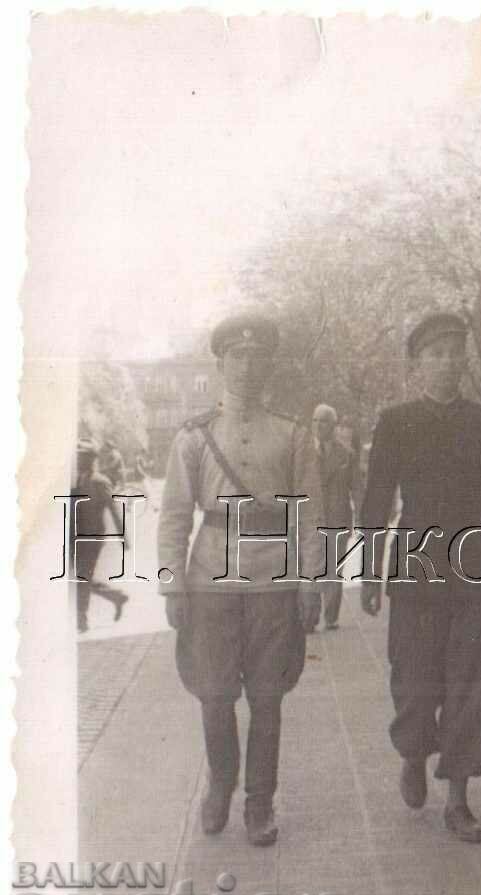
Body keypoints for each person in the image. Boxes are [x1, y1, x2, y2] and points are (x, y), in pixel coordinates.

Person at [157, 311, 323, 847]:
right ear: (222, 362)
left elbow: (311, 514)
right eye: (237, 356)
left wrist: (312, 581)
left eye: (258, 356)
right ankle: (220, 786)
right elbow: (175, 515)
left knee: (269, 699)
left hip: (275, 583)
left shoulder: (293, 434)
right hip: (211, 582)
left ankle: (259, 801)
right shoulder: (195, 436)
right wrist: (171, 583)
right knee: (214, 696)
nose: (248, 366)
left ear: (269, 363)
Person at [359, 312, 481, 844]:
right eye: (436, 353)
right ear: (416, 364)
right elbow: (377, 500)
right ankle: (412, 752)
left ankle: (458, 799)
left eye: (455, 352)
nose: (448, 362)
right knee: (414, 681)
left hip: (474, 572)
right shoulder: (396, 421)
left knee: (472, 685)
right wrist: (367, 574)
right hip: (417, 568)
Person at [72, 439, 129, 633]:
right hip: (74, 536)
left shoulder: (100, 482)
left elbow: (113, 509)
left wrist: (123, 536)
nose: (79, 460)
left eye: (83, 457)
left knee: (81, 577)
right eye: (78, 457)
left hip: (92, 538)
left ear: (92, 459)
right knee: (79, 578)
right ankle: (115, 596)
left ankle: (81, 621)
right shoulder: (74, 480)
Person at [310, 403, 357, 630]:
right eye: (315, 421)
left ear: (333, 425)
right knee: (310, 567)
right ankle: (309, 616)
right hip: (310, 520)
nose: (319, 426)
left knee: (333, 569)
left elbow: (357, 489)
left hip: (337, 519)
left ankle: (331, 617)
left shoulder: (346, 455)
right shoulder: (303, 452)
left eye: (324, 421)